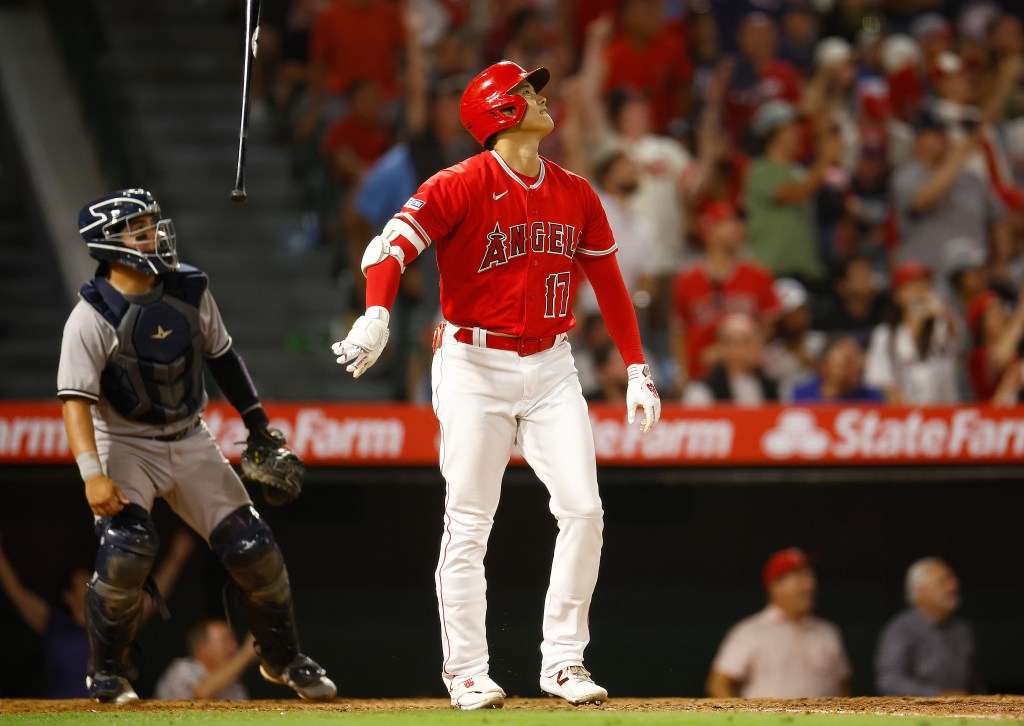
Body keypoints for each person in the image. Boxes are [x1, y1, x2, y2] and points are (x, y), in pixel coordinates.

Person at [332, 61, 661, 710]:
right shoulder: (459, 183)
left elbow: (610, 284)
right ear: (498, 112)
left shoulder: (576, 191)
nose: (539, 97)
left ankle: (563, 662)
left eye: (535, 88)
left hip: (551, 363)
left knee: (585, 511)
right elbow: (390, 245)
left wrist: (635, 366)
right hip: (473, 365)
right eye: (526, 91)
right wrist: (376, 312)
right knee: (469, 521)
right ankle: (467, 672)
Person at [58, 189, 336, 704]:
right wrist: (91, 472)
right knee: (126, 552)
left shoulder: (187, 288)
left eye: (151, 224)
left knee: (255, 550)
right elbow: (75, 401)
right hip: (123, 441)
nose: (153, 234)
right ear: (109, 245)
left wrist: (257, 426)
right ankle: (107, 673)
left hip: (189, 437)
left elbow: (224, 357)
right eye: (138, 229)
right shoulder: (90, 315)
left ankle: (283, 659)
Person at [0, 529, 195, 698]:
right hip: (60, 715)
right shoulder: (53, 622)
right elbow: (17, 592)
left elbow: (151, 600)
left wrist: (176, 558)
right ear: (68, 596)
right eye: (84, 584)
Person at [707, 548, 851, 698]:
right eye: (799, 577)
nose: (810, 584)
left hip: (822, 721)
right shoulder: (749, 631)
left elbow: (841, 687)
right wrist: (741, 719)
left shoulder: (828, 631)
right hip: (769, 721)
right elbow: (718, 684)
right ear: (775, 585)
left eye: (810, 576)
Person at [670, 202, 779, 387]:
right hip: (700, 377)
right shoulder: (686, 280)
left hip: (747, 376)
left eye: (738, 223)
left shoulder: (759, 276)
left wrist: (730, 351)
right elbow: (678, 332)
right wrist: (684, 372)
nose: (738, 228)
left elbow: (769, 328)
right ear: (709, 230)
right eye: (728, 223)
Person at [875, 557, 983, 696]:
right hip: (917, 713)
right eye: (943, 581)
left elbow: (973, 681)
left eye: (952, 579)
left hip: (962, 712)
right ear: (921, 591)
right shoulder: (901, 628)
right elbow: (889, 681)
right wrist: (939, 695)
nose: (954, 586)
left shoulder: (962, 629)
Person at [864, 261, 960, 404]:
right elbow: (883, 383)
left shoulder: (942, 326)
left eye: (924, 285)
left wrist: (943, 311)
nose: (920, 292)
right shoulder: (885, 334)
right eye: (912, 287)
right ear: (897, 296)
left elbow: (958, 333)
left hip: (945, 416)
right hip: (907, 418)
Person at [683, 313, 779, 406]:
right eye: (747, 341)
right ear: (725, 348)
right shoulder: (702, 391)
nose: (757, 346)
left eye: (758, 339)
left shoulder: (771, 386)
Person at [154, 620, 257, 700]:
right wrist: (246, 653)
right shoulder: (182, 669)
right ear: (201, 649)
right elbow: (200, 695)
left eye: (234, 641)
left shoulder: (234, 684)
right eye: (225, 641)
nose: (234, 647)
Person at [791, 335, 885, 403]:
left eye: (858, 362)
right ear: (825, 366)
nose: (856, 368)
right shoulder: (800, 396)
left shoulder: (872, 399)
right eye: (848, 363)